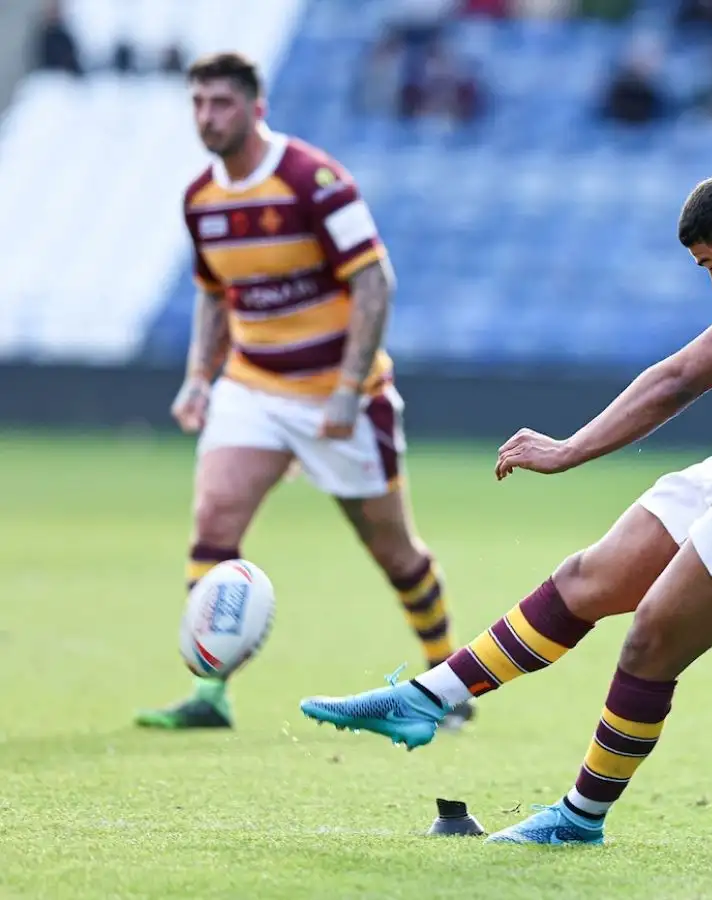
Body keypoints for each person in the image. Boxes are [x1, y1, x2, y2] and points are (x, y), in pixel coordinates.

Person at [299, 175, 712, 844]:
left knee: (650, 642)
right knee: (586, 580)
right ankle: (425, 700)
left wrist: (570, 450)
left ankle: (579, 819)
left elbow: (680, 378)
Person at [135, 52, 473, 731]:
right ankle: (210, 695)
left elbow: (374, 282)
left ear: (257, 108)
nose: (207, 117)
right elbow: (214, 296)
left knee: (395, 553)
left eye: (221, 103)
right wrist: (199, 378)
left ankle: (448, 678)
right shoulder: (200, 199)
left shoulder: (313, 180)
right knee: (214, 526)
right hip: (253, 386)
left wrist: (349, 388)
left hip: (337, 397)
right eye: (198, 103)